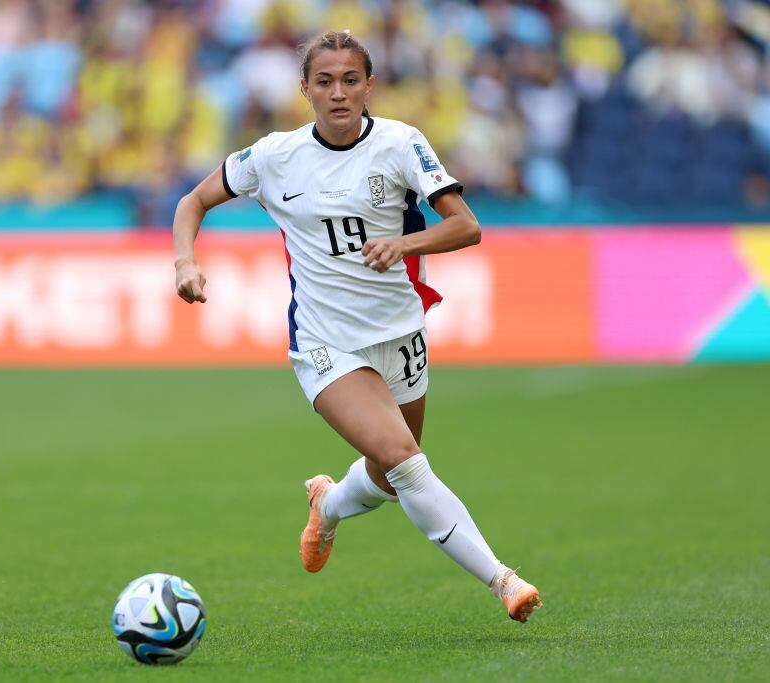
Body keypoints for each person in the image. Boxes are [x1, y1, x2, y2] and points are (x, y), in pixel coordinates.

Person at [171, 30, 542, 623]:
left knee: (391, 475)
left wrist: (403, 243)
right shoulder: (274, 156)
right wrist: (187, 261)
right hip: (326, 343)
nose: (338, 93)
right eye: (325, 82)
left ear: (369, 85)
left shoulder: (400, 144)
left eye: (350, 80)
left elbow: (466, 227)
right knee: (405, 459)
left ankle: (329, 504)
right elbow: (192, 201)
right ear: (304, 89)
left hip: (401, 332)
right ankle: (504, 581)